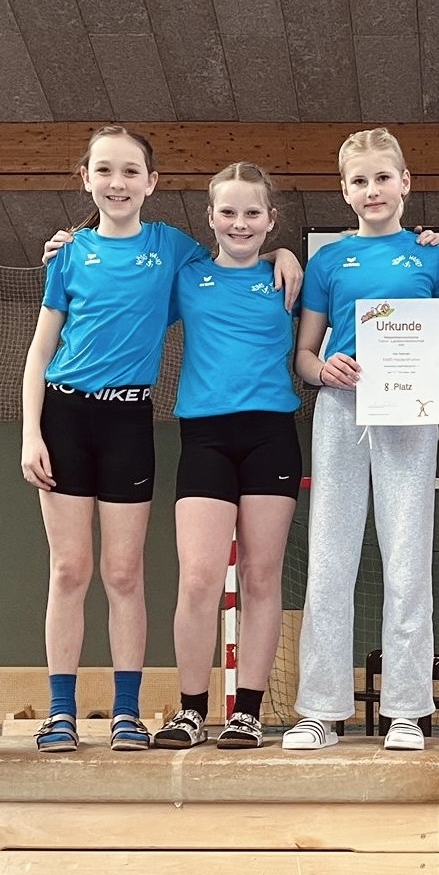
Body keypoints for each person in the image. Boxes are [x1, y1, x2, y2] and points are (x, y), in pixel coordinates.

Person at [25, 126, 300, 752]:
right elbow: (57, 337)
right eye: (104, 170)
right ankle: (111, 711)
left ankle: (226, 712)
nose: (239, 222)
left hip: (221, 429)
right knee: (99, 571)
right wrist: (30, 433)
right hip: (127, 425)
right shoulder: (159, 265)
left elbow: (324, 308)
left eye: (252, 213)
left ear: (152, 182)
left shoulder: (241, 269)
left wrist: (287, 254)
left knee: (207, 575)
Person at [282, 128, 439, 752]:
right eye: (360, 180)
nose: (373, 189)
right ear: (345, 190)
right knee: (331, 560)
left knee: (407, 559)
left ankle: (405, 710)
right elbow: (305, 355)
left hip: (410, 410)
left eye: (383, 177)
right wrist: (322, 369)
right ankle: (319, 710)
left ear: (405, 182)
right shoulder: (329, 262)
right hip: (342, 410)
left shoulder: (437, 258)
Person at [152, 163, 301, 750]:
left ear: (270, 220)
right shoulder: (186, 277)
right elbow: (123, 279)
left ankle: (248, 712)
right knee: (198, 579)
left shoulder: (290, 280)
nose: (240, 223)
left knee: (262, 577)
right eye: (229, 212)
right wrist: (71, 244)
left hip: (271, 436)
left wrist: (428, 243)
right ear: (210, 216)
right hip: (205, 438)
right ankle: (192, 711)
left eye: (252, 212)